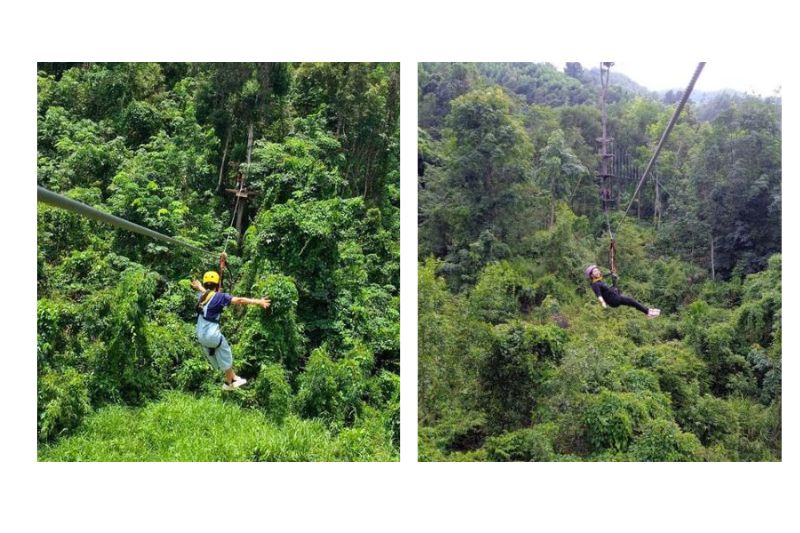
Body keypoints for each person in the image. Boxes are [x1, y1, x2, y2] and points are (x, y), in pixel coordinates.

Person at [191, 270, 271, 390]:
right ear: (217, 285)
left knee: (218, 351)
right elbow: (239, 300)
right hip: (212, 335)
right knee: (225, 350)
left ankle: (229, 381)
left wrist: (199, 287)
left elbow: (206, 292)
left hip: (201, 337)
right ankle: (232, 379)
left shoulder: (201, 297)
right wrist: (258, 301)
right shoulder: (220, 297)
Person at [584, 264, 660, 318]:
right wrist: (602, 302)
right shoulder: (595, 285)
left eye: (597, 270)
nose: (597, 272)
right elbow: (599, 295)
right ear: (591, 275)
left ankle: (647, 312)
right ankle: (648, 312)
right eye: (595, 272)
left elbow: (604, 276)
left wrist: (611, 273)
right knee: (631, 301)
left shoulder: (599, 280)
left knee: (615, 287)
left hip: (613, 295)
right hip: (613, 300)